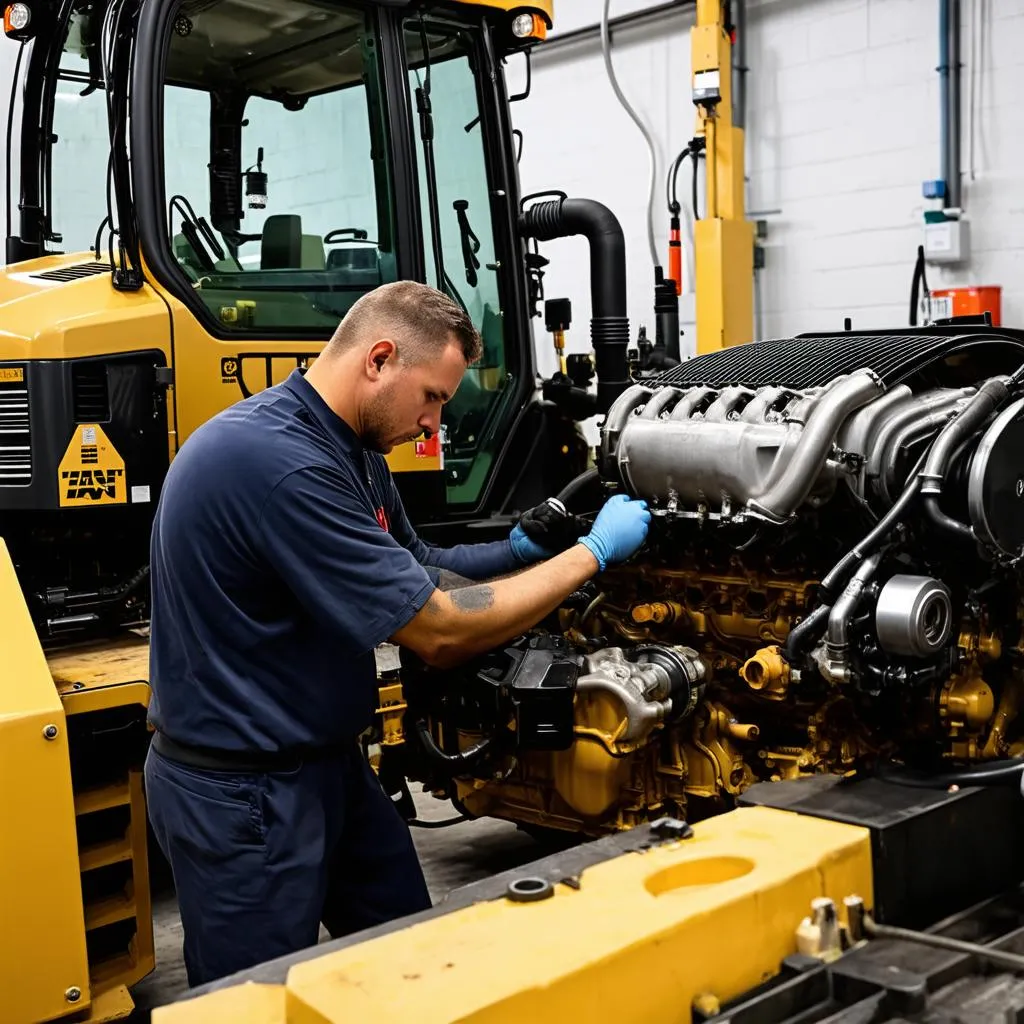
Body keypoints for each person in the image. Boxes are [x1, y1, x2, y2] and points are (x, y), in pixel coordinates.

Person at [144, 280, 651, 987]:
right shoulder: (279, 465)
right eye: (433, 397)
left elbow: (421, 570)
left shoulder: (350, 449)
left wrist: (519, 550)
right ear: (379, 359)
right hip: (243, 791)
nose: (433, 423)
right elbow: (439, 630)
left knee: (409, 958)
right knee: (249, 1001)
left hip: (325, 764)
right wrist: (590, 556)